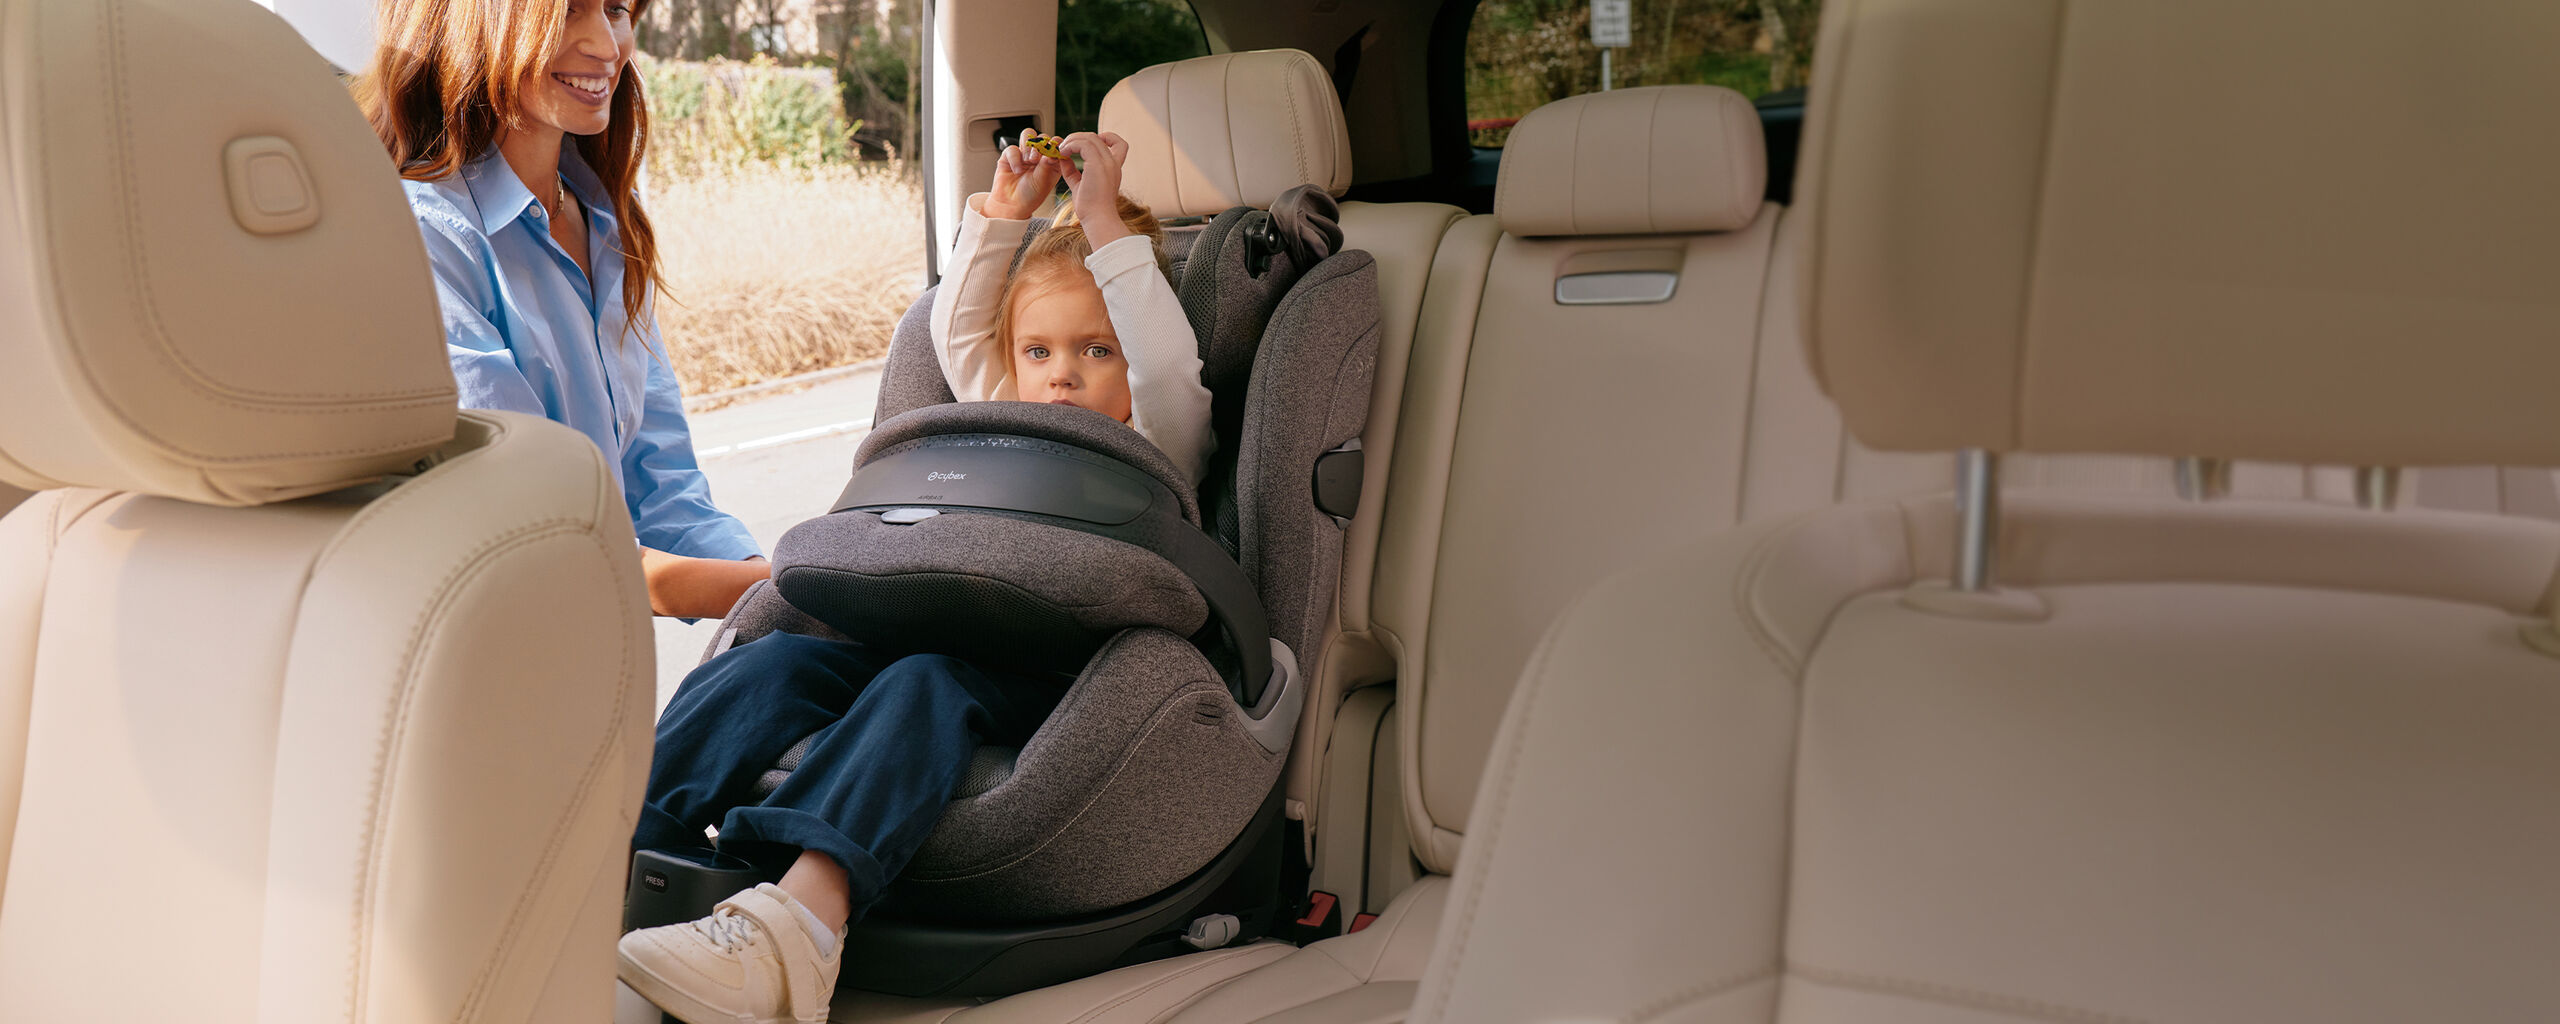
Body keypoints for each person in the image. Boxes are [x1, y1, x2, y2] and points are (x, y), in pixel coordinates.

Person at [614, 131, 1209, 1024]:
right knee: (768, 664)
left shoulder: (1160, 434)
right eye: (1039, 353)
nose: (1060, 380)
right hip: (935, 616)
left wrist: (1096, 218)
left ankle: (800, 930)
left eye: (1097, 353)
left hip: (1055, 664)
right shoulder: (996, 405)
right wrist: (1005, 216)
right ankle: (613, 861)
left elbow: (1167, 365)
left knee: (919, 685)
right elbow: (963, 326)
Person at [357, 0, 770, 619]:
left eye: (616, 10)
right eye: (570, 9)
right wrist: (810, 590)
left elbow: (662, 492)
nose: (607, 45)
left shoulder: (604, 220)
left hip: (598, 659)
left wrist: (780, 589)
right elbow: (549, 536)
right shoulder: (422, 236)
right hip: (490, 658)